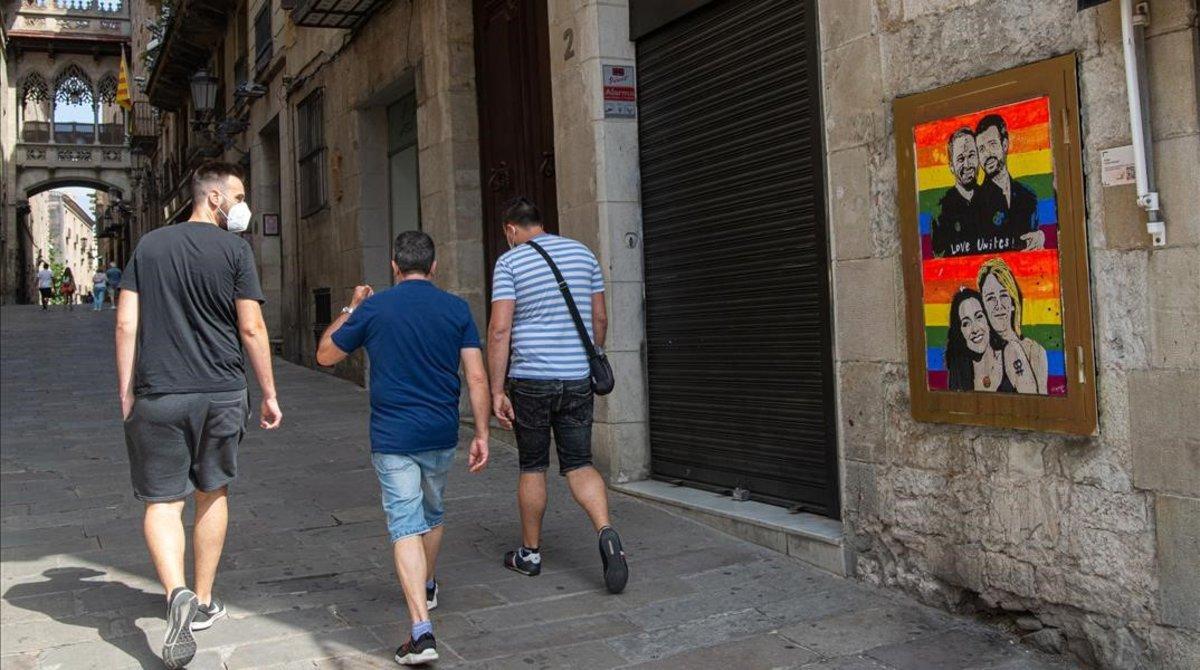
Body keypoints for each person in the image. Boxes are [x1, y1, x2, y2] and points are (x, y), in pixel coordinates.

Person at [114, 161, 282, 669]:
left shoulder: (148, 246)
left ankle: (176, 592)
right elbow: (251, 328)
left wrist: (126, 391)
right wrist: (270, 392)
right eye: (238, 195)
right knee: (212, 492)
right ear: (213, 198)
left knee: (163, 502)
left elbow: (126, 322)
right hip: (222, 392)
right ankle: (204, 600)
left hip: (159, 392)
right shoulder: (235, 250)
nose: (242, 205)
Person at [316, 230, 490, 666]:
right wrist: (483, 433)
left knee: (405, 525)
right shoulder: (455, 308)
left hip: (393, 436)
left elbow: (324, 355)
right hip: (440, 432)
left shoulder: (375, 308)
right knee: (430, 515)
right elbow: (477, 377)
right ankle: (426, 587)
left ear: (395, 266)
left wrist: (351, 306)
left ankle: (420, 631)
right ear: (434, 266)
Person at [487, 197, 629, 594]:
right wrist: (591, 355)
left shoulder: (510, 262)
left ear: (511, 229)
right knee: (579, 463)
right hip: (577, 376)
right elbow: (599, 318)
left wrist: (497, 390)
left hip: (532, 379)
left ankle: (530, 554)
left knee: (533, 465)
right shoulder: (583, 253)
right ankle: (607, 532)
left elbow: (500, 329)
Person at [973, 114, 1044, 253]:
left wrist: (1041, 237)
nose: (987, 154)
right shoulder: (975, 202)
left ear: (1005, 145)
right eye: (981, 149)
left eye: (992, 144)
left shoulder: (1029, 197)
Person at [976, 257, 1048, 395]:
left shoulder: (1035, 351)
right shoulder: (980, 353)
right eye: (990, 298)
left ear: (1013, 302)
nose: (998, 305)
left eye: (1003, 295)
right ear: (983, 306)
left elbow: (1041, 406)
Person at [931, 128, 982, 258]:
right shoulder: (940, 212)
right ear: (951, 166)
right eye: (960, 159)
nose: (967, 164)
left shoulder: (994, 199)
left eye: (971, 155)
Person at [944, 287, 1006, 392]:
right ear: (960, 332)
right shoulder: (959, 367)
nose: (975, 329)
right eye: (966, 323)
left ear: (988, 319)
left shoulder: (1010, 353)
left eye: (979, 316)